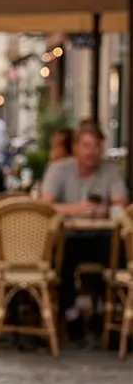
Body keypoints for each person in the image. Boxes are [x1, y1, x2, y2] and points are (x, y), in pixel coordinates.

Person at [40, 120, 129, 335]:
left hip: (102, 236)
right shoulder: (59, 169)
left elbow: (121, 203)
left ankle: (110, 314)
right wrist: (73, 209)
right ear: (75, 147)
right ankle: (71, 314)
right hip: (69, 236)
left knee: (121, 256)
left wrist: (103, 210)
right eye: (87, 145)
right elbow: (44, 205)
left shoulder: (110, 170)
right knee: (59, 259)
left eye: (96, 146)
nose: (92, 151)